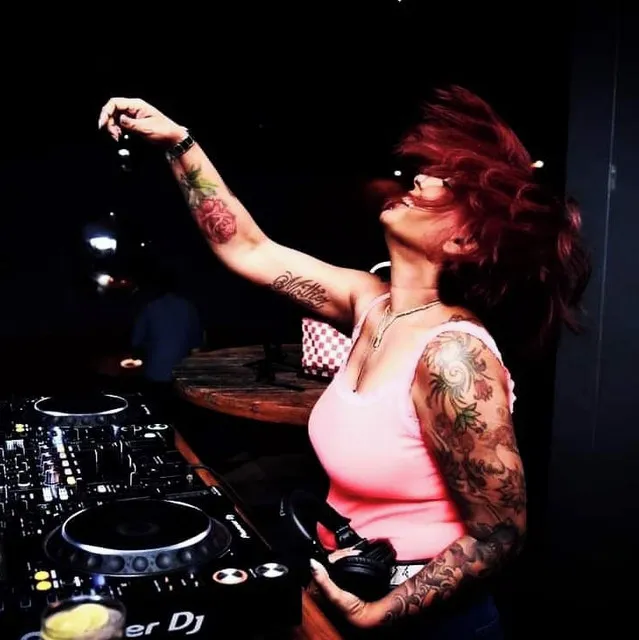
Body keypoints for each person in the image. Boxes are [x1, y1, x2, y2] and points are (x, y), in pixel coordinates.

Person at [98, 87, 589, 638]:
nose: (421, 179)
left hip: (426, 619)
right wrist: (178, 142)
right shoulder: (368, 303)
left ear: (464, 242)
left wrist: (379, 611)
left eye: (447, 188)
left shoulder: (455, 356)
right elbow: (248, 248)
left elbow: (500, 533)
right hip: (348, 580)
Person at [121, 268, 203, 410]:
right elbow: (197, 344)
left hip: (155, 372)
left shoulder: (150, 307)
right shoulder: (188, 308)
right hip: (180, 375)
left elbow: (136, 340)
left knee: (155, 410)